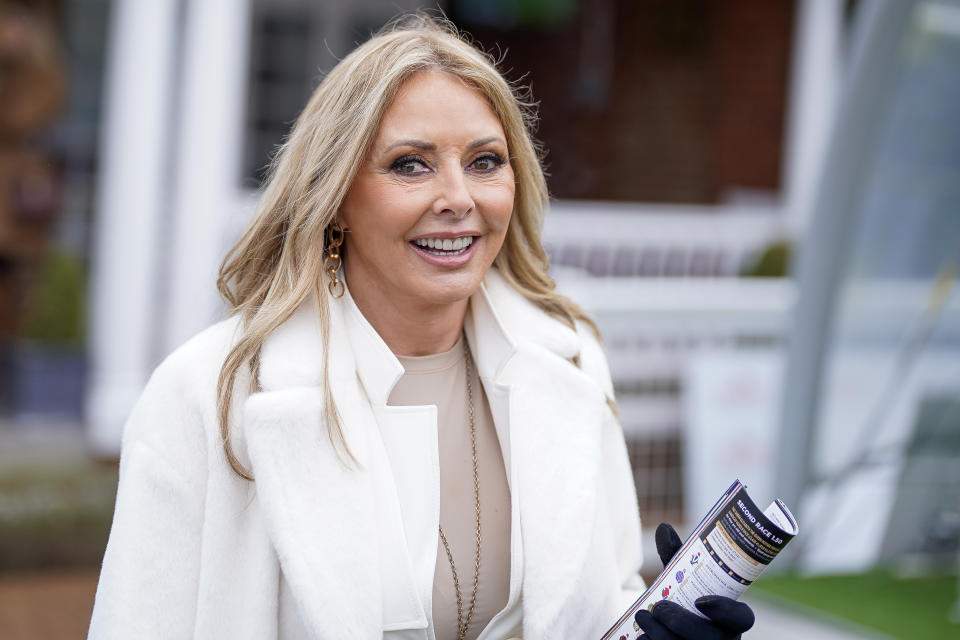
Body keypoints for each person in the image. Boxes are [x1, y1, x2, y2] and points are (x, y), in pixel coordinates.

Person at [88, 14, 753, 640]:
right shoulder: (205, 393)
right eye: (411, 163)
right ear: (335, 194)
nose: (459, 199)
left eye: (485, 161)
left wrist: (657, 625)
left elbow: (597, 605)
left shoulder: (570, 359)